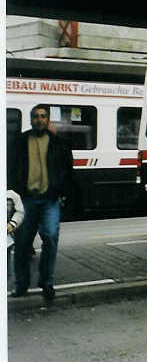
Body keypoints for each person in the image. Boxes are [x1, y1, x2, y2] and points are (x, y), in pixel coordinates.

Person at [9, 104, 73, 301]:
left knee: (51, 237)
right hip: (26, 200)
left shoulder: (58, 143)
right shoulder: (19, 141)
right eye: (35, 116)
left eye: (43, 116)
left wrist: (63, 193)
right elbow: (10, 168)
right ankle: (21, 284)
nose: (39, 120)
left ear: (48, 120)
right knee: (21, 243)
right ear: (31, 119)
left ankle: (47, 283)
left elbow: (67, 170)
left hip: (49, 200)